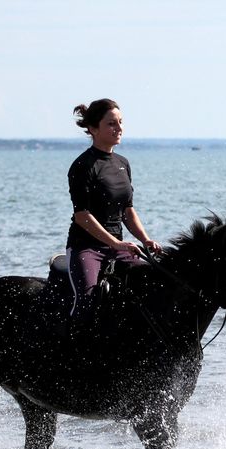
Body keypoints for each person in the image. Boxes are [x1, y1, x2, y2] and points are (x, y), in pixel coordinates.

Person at [65, 98, 162, 336]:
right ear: (93, 129)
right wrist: (116, 243)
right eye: (111, 124)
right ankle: (69, 355)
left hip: (119, 247)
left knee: (154, 284)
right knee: (87, 299)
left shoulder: (122, 163)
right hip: (86, 247)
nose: (118, 128)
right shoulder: (83, 166)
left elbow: (127, 210)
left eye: (120, 122)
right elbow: (82, 216)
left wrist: (145, 239)